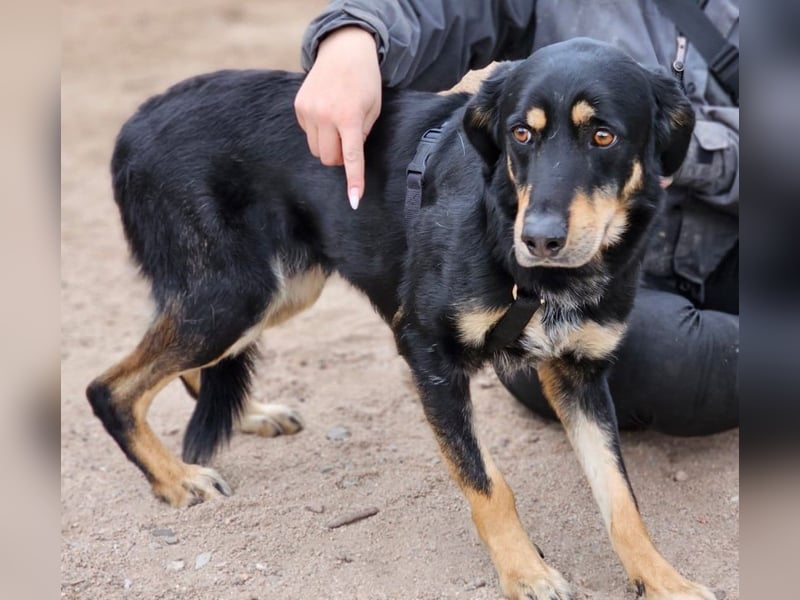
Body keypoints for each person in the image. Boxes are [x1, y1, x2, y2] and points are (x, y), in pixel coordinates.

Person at [294, 0, 739, 436]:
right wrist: (355, 34)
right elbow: (440, 9)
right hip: (577, 277)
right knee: (664, 357)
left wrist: (672, 149)